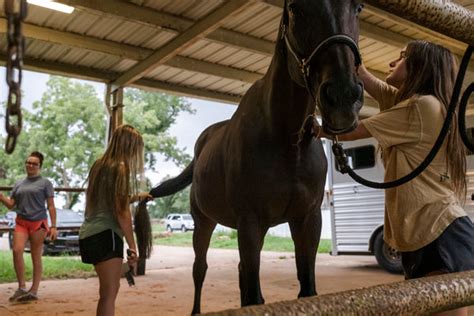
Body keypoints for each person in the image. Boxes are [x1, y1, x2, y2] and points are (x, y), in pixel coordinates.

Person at [314, 40, 474, 316]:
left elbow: (350, 131)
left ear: (419, 68)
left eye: (401, 58)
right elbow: (386, 93)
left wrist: (316, 127)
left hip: (438, 236)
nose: (392, 63)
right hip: (435, 233)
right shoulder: (428, 105)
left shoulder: (421, 107)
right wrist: (359, 71)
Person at [79, 124, 152, 316]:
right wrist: (132, 245)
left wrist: (136, 196)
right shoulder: (121, 168)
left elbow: (109, 199)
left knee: (107, 292)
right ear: (129, 146)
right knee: (109, 294)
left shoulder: (99, 165)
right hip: (107, 235)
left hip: (88, 234)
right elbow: (121, 211)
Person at [0, 151, 57, 302]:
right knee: (17, 250)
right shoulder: (19, 183)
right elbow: (11, 205)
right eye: (28, 162)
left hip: (39, 223)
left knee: (35, 255)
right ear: (25, 164)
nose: (30, 165)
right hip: (21, 222)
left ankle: (34, 290)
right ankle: (22, 287)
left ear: (40, 166)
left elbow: (51, 206)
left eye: (34, 163)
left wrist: (54, 226)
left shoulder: (45, 183)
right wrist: (1, 197)